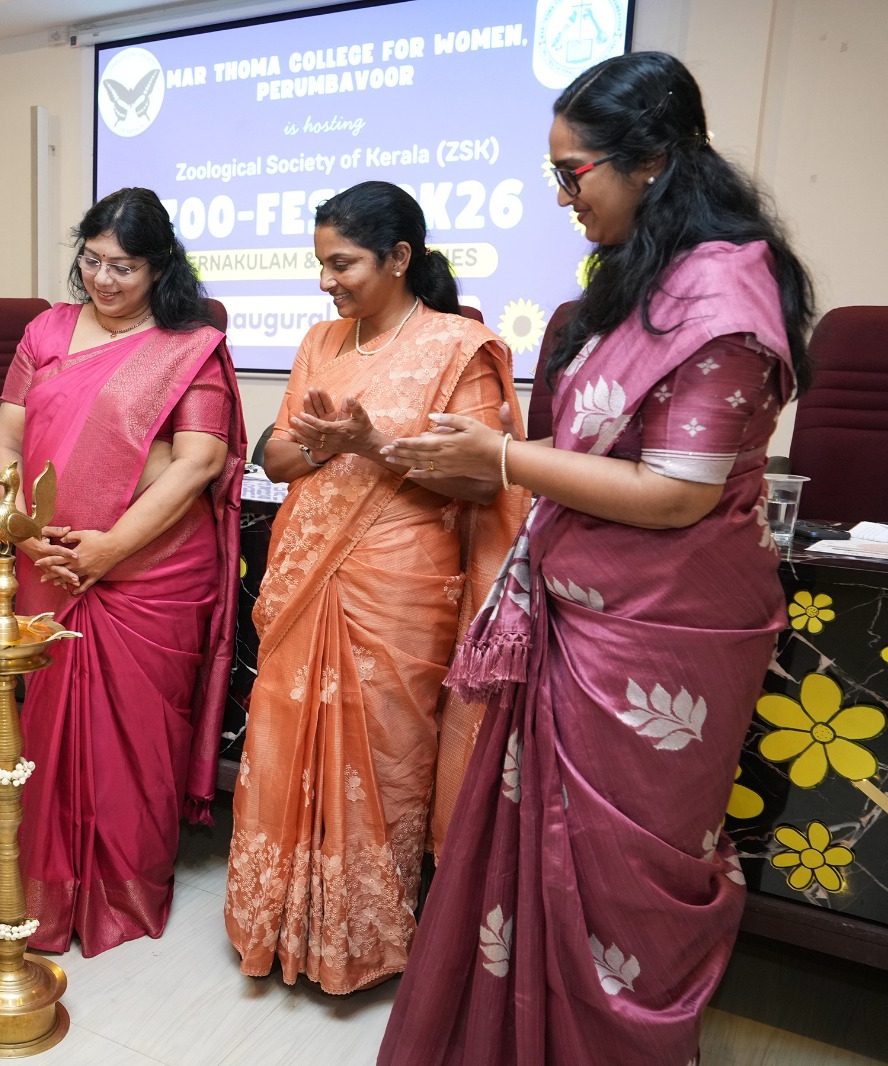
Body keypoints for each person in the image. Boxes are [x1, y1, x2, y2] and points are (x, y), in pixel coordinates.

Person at [376, 51, 814, 1064]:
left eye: (572, 174)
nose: (564, 198)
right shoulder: (643, 276)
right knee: (532, 859)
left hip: (664, 634)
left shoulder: (721, 301)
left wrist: (498, 457)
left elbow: (677, 491)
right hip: (580, 611)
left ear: (650, 160)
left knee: (621, 882)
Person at [223, 182, 529, 994]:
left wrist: (373, 441)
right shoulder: (321, 340)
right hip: (305, 570)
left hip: (399, 582)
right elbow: (276, 457)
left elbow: (482, 479)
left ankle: (361, 939)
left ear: (399, 257)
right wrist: (329, 444)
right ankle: (275, 923)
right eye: (321, 264)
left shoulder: (460, 347)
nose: (327, 281)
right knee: (284, 736)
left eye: (343, 263)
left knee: (386, 756)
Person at [0, 187, 246, 956]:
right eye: (92, 260)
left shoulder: (189, 345)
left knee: (134, 742)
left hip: (151, 574)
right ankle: (48, 887)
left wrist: (108, 550)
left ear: (158, 267)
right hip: (49, 559)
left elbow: (197, 463)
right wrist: (18, 521)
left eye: (123, 267)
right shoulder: (46, 331)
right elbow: (7, 437)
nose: (102, 279)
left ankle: (120, 890)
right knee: (48, 727)